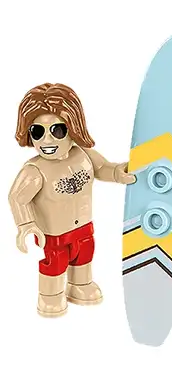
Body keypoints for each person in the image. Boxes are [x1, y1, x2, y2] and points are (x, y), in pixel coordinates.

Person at [9, 83, 135, 317]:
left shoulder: (83, 155)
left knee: (84, 255)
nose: (47, 140)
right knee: (55, 264)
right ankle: (50, 296)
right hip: (54, 234)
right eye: (37, 132)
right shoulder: (35, 170)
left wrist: (119, 172)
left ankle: (80, 285)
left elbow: (103, 168)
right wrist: (26, 224)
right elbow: (17, 198)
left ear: (73, 128)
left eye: (57, 130)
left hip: (84, 228)